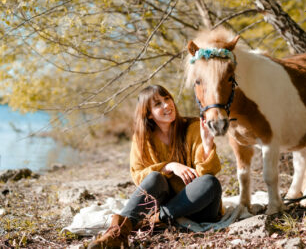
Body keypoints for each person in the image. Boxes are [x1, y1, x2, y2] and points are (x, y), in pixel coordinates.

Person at [88, 85, 222, 248]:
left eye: (167, 99)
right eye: (158, 104)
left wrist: (207, 145)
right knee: (154, 177)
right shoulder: (142, 138)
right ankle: (116, 234)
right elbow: (138, 176)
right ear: (149, 114)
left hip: (198, 208)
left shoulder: (193, 127)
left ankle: (154, 220)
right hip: (165, 203)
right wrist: (169, 166)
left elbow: (206, 173)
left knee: (210, 182)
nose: (167, 105)